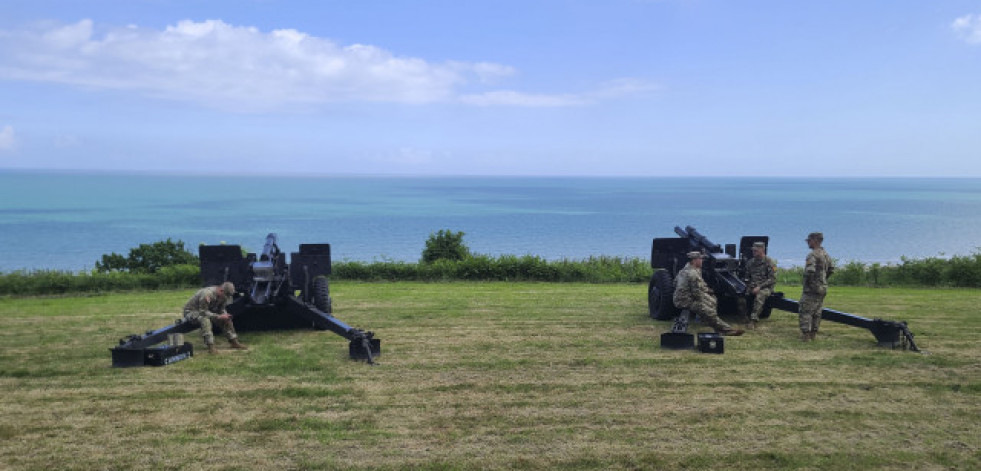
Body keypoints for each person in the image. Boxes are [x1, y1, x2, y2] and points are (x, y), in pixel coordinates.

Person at [673, 251, 744, 336]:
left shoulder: (684, 270)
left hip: (683, 297)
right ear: (694, 260)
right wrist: (704, 303)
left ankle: (710, 322)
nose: (702, 261)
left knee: (712, 299)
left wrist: (708, 292)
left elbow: (675, 283)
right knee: (707, 310)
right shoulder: (693, 274)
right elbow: (697, 294)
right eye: (700, 259)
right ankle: (727, 329)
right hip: (685, 301)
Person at [182, 281, 248, 353]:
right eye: (227, 295)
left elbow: (221, 309)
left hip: (207, 311)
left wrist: (225, 316)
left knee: (226, 319)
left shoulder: (224, 296)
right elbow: (203, 312)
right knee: (204, 320)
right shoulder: (207, 294)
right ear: (221, 291)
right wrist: (218, 316)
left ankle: (234, 342)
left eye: (229, 295)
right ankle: (211, 346)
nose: (227, 297)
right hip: (192, 311)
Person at [799, 232, 834, 341]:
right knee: (817, 312)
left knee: (805, 311)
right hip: (822, 287)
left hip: (812, 289)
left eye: (809, 240)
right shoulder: (825, 254)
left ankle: (806, 335)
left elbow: (810, 271)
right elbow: (831, 269)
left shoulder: (812, 255)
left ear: (815, 241)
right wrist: (822, 280)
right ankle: (813, 333)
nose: (808, 243)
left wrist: (809, 283)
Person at [741, 241, 777, 330]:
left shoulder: (770, 262)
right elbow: (747, 277)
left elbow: (772, 279)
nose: (753, 252)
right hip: (753, 286)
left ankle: (753, 321)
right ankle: (745, 315)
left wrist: (759, 287)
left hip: (765, 287)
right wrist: (748, 285)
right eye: (753, 250)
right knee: (741, 295)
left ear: (762, 250)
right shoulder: (750, 262)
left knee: (759, 296)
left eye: (756, 251)